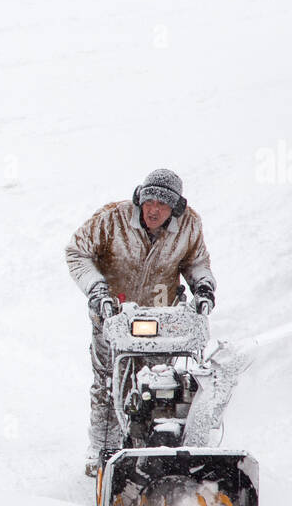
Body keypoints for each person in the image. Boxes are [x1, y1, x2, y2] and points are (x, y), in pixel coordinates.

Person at [64, 168, 216, 477]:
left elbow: (196, 262)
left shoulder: (189, 226)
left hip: (162, 317)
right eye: (149, 202)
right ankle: (102, 451)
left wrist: (203, 288)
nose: (154, 210)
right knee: (109, 381)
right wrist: (98, 291)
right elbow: (77, 251)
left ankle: (157, 449)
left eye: (162, 205)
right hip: (115, 315)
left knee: (160, 382)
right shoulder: (112, 220)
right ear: (140, 198)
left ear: (175, 208)